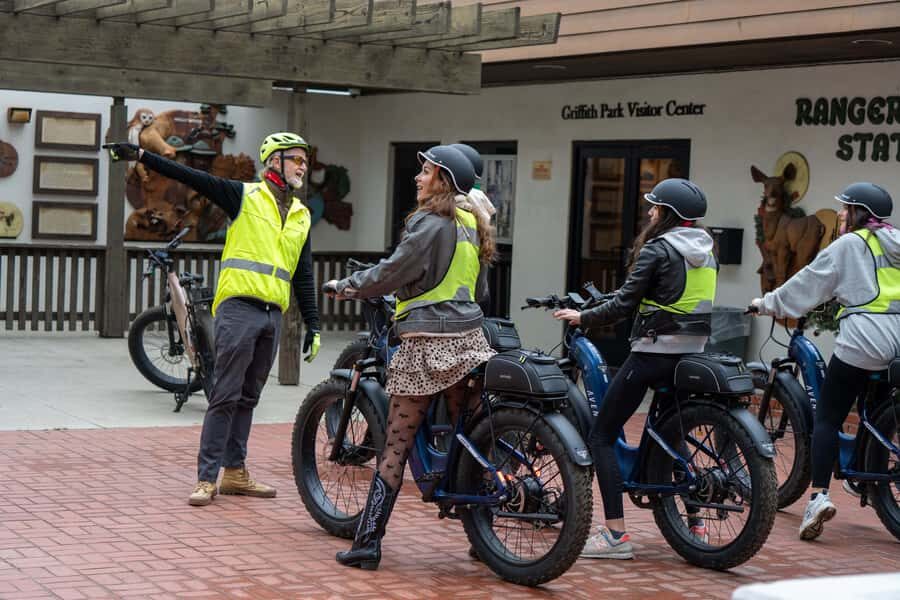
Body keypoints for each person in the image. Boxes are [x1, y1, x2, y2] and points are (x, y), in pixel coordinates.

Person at [105, 133, 322, 506]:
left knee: (249, 397)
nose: (303, 166)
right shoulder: (244, 196)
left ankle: (235, 472)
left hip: (272, 314)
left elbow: (303, 273)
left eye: (305, 160)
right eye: (296, 159)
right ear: (275, 161)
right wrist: (141, 155)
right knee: (225, 394)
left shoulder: (301, 215)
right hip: (239, 309)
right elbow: (191, 176)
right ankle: (206, 478)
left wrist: (313, 325)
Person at [325, 144, 496, 570]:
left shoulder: (430, 224)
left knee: (396, 445)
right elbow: (480, 291)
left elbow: (391, 272)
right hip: (469, 341)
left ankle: (367, 543)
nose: (418, 177)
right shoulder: (472, 223)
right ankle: (484, 537)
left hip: (426, 344)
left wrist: (346, 286)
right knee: (466, 442)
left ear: (443, 180)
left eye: (426, 171)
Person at [554, 178, 717, 559]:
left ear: (667, 214)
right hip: (691, 353)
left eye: (654, 207)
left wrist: (583, 317)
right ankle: (695, 522)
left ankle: (615, 536)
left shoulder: (658, 248)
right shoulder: (708, 251)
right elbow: (660, 293)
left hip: (652, 353)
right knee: (672, 434)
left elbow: (625, 305)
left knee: (601, 436)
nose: (649, 212)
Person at [751, 182, 900, 540]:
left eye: (847, 208)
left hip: (866, 339)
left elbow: (808, 282)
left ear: (860, 212)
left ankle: (818, 497)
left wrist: (766, 303)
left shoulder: (851, 244)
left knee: (828, 418)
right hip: (897, 341)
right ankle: (868, 476)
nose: (842, 213)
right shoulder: (896, 241)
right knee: (877, 412)